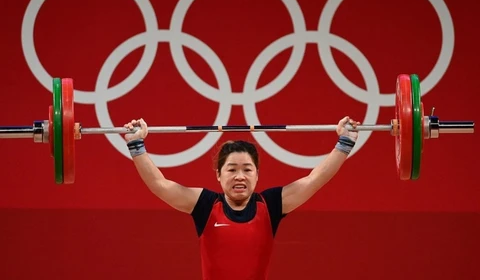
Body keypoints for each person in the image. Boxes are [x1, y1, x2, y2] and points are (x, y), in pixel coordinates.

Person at [123, 116, 360, 280]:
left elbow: (314, 180)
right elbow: (159, 184)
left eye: (247, 169)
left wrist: (345, 142)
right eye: (232, 169)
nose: (240, 176)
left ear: (257, 175)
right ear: (218, 174)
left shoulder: (271, 205)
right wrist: (136, 145)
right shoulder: (205, 205)